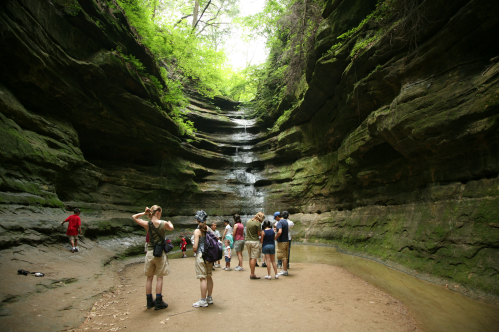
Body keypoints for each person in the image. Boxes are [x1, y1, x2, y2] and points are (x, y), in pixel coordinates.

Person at [132, 206, 174, 310]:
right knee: (159, 277)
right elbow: (171, 228)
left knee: (149, 278)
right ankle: (158, 301)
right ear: (158, 212)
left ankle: (149, 302)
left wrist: (144, 213)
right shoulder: (163, 223)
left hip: (150, 252)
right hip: (159, 253)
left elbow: (134, 217)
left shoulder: (147, 224)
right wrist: (170, 222)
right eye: (160, 212)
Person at [192, 210, 214, 308]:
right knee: (209, 276)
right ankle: (209, 297)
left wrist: (193, 247)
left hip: (201, 255)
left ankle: (203, 300)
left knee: (202, 278)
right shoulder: (208, 229)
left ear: (197, 219)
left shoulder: (197, 231)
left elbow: (195, 247)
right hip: (209, 256)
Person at [245, 212, 264, 279]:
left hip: (247, 241)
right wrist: (262, 233)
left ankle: (251, 273)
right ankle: (252, 274)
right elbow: (259, 234)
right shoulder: (258, 223)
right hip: (254, 241)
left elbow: (247, 230)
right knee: (254, 258)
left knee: (250, 257)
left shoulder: (249, 221)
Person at [275, 210, 290, 276]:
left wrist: (275, 237)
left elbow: (280, 231)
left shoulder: (280, 222)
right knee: (285, 256)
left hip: (282, 241)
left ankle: (285, 271)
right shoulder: (285, 221)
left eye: (275, 218)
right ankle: (284, 270)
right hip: (286, 241)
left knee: (283, 256)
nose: (275, 219)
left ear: (277, 216)